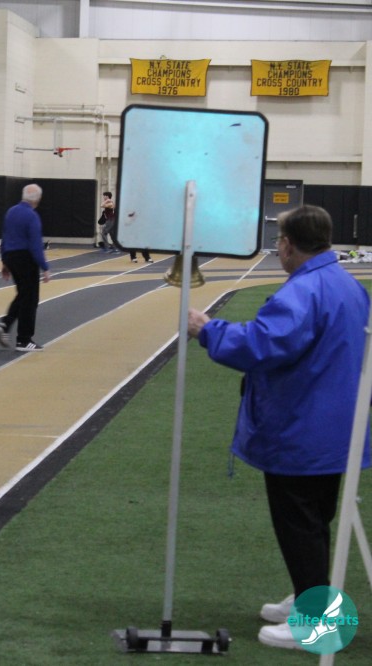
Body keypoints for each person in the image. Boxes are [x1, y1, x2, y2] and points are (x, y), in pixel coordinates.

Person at [187, 205, 371, 651]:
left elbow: (262, 344)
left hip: (302, 428)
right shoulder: (348, 284)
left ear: (287, 245)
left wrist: (208, 330)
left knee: (300, 523)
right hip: (336, 426)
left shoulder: (303, 291)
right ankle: (312, 595)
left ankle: (318, 622)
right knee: (315, 518)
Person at [0, 184, 51, 352]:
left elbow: (4, 238)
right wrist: (45, 267)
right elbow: (35, 244)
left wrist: (4, 262)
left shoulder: (11, 212)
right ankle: (24, 339)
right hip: (25, 258)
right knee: (31, 299)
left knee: (24, 295)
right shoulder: (32, 216)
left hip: (11, 257)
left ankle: (6, 324)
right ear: (38, 200)